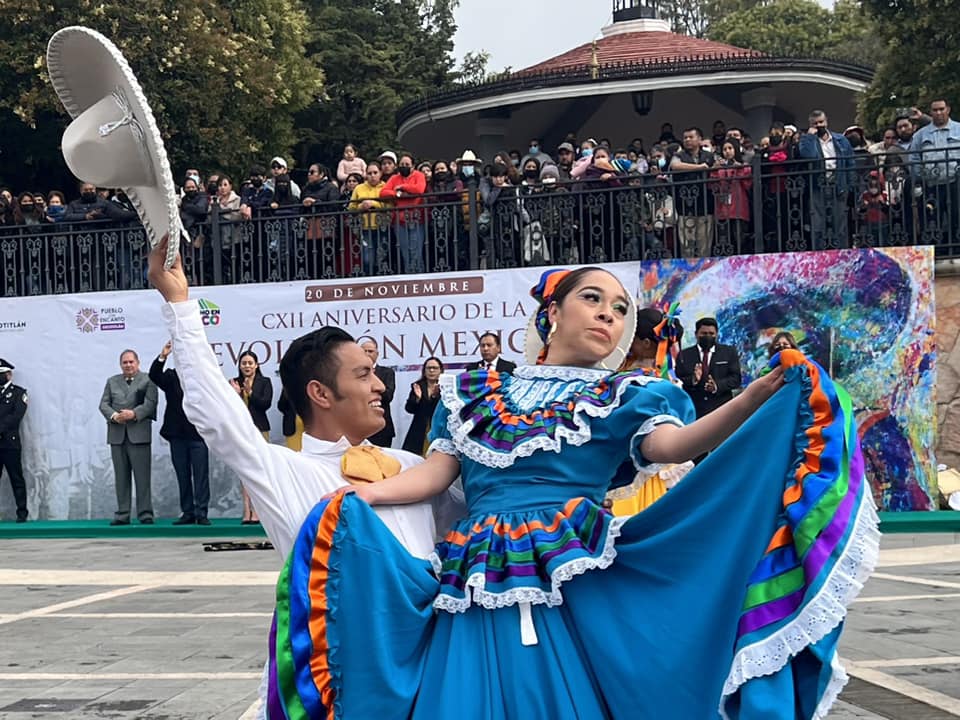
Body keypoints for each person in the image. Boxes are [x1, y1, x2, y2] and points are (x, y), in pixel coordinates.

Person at [265, 265, 877, 719]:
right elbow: (435, 474)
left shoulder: (629, 396)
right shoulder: (473, 393)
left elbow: (675, 447)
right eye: (592, 298)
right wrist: (360, 500)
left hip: (573, 569)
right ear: (552, 312)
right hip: (477, 571)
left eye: (619, 308)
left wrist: (752, 398)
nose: (608, 314)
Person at [606, 306, 693, 516]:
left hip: (631, 464)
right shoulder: (665, 380)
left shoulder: (636, 383)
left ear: (645, 344)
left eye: (632, 337)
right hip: (651, 463)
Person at [149, 341, 210, 525]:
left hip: (198, 434)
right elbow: (154, 375)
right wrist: (163, 356)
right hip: (177, 435)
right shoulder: (170, 376)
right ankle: (188, 512)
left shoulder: (202, 378)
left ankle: (202, 512)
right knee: (182, 475)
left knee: (201, 475)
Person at [99, 350, 157, 525]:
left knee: (142, 478)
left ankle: (145, 514)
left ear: (138, 363)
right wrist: (115, 416)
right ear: (120, 364)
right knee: (121, 478)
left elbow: (150, 403)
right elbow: (103, 404)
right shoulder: (112, 381)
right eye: (125, 362)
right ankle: (122, 514)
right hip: (117, 436)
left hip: (139, 435)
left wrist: (133, 413)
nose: (128, 365)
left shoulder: (148, 380)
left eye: (131, 361)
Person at [231, 350, 273, 524]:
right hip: (240, 432)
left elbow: (265, 404)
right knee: (244, 472)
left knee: (259, 471)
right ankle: (246, 510)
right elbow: (231, 409)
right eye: (244, 363)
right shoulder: (233, 383)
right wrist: (237, 395)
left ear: (256, 365)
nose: (247, 366)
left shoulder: (265, 382)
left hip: (260, 430)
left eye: (250, 363)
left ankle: (258, 511)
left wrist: (250, 392)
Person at [675, 317, 742, 418]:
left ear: (716, 334)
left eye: (711, 334)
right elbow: (678, 380)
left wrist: (717, 386)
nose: (708, 336)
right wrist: (693, 380)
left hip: (722, 409)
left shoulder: (729, 352)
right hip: (694, 410)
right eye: (704, 333)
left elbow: (736, 379)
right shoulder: (684, 355)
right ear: (696, 334)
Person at [0, 359, 29, 523]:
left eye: (2, 374)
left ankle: (22, 513)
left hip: (10, 443)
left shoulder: (19, 393)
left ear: (9, 375)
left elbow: (16, 416)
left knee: (16, 478)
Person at [401, 357, 443, 456]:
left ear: (440, 370)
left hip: (437, 429)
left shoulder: (445, 387)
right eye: (428, 368)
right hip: (419, 430)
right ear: (424, 370)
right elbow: (409, 409)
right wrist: (417, 399)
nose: (431, 371)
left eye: (435, 368)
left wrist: (434, 397)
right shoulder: (417, 386)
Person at [360, 338, 395, 448]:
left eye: (370, 351)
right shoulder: (353, 373)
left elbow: (388, 396)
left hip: (382, 427)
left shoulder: (387, 372)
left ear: (377, 354)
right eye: (363, 351)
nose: (366, 354)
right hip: (360, 425)